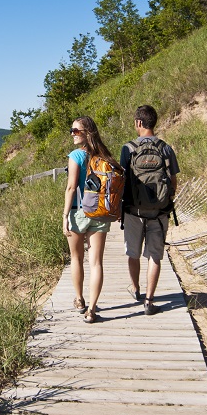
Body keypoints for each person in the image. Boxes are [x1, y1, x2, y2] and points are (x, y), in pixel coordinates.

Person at [120, 105, 180, 316]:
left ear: (139, 122)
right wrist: (165, 198)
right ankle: (149, 300)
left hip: (133, 211)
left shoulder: (128, 149)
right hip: (160, 211)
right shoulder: (166, 148)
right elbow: (173, 180)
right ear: (153, 122)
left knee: (133, 253)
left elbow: (123, 180)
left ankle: (136, 289)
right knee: (155, 255)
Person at [63, 116, 122, 323]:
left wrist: (64, 216)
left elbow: (71, 187)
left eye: (76, 131)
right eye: (72, 130)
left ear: (87, 133)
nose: (72, 134)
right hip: (100, 212)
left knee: (76, 258)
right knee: (96, 262)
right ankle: (92, 309)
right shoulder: (104, 156)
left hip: (78, 211)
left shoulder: (76, 156)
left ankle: (79, 299)